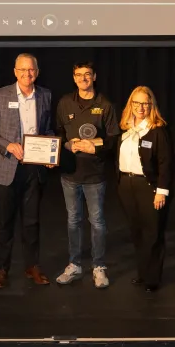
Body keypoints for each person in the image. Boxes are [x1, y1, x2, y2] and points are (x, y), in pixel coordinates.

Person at [0, 53, 54, 289]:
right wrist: (8, 145)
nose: (27, 74)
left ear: (37, 72)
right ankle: (2, 269)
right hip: (6, 168)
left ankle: (32, 266)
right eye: (22, 70)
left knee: (32, 222)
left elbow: (47, 129)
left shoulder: (45, 95)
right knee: (5, 223)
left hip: (34, 169)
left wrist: (52, 152)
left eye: (31, 70)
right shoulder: (0, 96)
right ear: (15, 72)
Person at [54, 62, 120, 288]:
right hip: (70, 174)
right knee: (73, 220)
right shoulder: (64, 103)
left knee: (97, 222)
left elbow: (113, 138)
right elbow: (58, 132)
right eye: (79, 75)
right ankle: (74, 265)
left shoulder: (105, 105)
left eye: (87, 75)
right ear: (74, 78)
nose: (83, 78)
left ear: (94, 77)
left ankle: (99, 266)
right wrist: (66, 144)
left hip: (95, 175)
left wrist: (96, 147)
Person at [116, 86, 174, 292]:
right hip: (126, 186)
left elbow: (165, 164)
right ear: (130, 105)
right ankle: (142, 273)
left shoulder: (157, 131)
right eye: (136, 103)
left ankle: (152, 279)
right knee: (137, 233)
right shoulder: (125, 129)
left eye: (145, 103)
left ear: (151, 106)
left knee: (152, 233)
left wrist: (161, 191)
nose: (140, 107)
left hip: (148, 187)